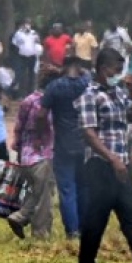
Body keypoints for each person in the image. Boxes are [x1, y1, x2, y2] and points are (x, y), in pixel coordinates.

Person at [75, 47, 132, 263]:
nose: (119, 74)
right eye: (116, 70)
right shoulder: (89, 95)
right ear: (103, 69)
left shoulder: (120, 93)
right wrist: (111, 158)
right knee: (95, 223)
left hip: (123, 166)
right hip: (101, 166)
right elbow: (89, 133)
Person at [42, 58, 93, 239]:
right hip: (86, 143)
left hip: (63, 144)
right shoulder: (88, 84)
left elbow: (41, 114)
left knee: (67, 189)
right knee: (84, 187)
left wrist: (43, 132)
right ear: (78, 67)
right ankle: (85, 226)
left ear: (63, 67)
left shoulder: (54, 87)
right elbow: (88, 74)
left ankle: (72, 231)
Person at [7, 70, 55, 240]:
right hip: (43, 155)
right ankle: (39, 233)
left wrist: (19, 149)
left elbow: (18, 127)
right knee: (44, 198)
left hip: (26, 156)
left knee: (35, 192)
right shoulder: (49, 103)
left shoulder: (28, 100)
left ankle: (20, 217)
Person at [11, 21, 41, 96]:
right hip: (22, 57)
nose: (27, 26)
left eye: (28, 24)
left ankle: (31, 93)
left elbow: (38, 42)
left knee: (32, 75)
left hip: (32, 57)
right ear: (23, 25)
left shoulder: (34, 33)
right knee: (22, 75)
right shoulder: (18, 33)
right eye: (25, 24)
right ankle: (22, 94)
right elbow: (14, 43)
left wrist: (36, 39)